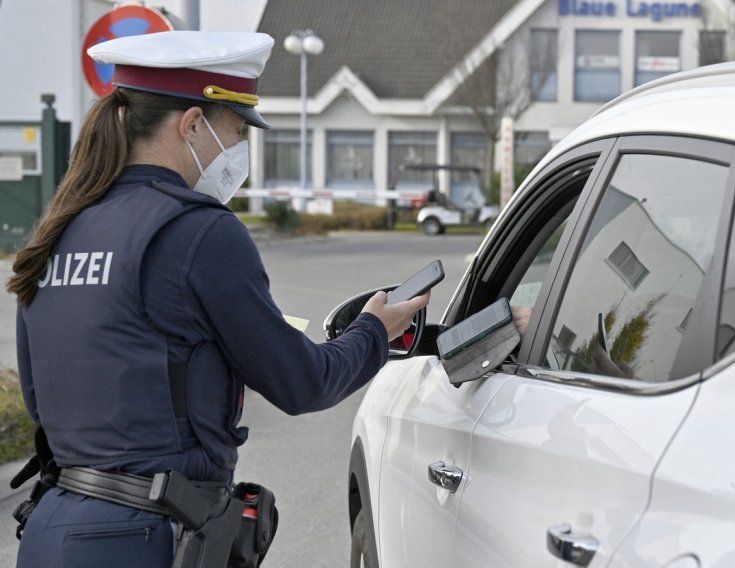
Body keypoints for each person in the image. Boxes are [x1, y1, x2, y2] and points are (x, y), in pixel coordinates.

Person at [6, 31, 428, 568]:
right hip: (146, 539)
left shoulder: (61, 227)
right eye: (234, 131)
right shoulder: (199, 233)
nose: (238, 151)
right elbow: (302, 382)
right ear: (191, 125)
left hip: (51, 530)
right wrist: (372, 330)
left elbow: (41, 400)